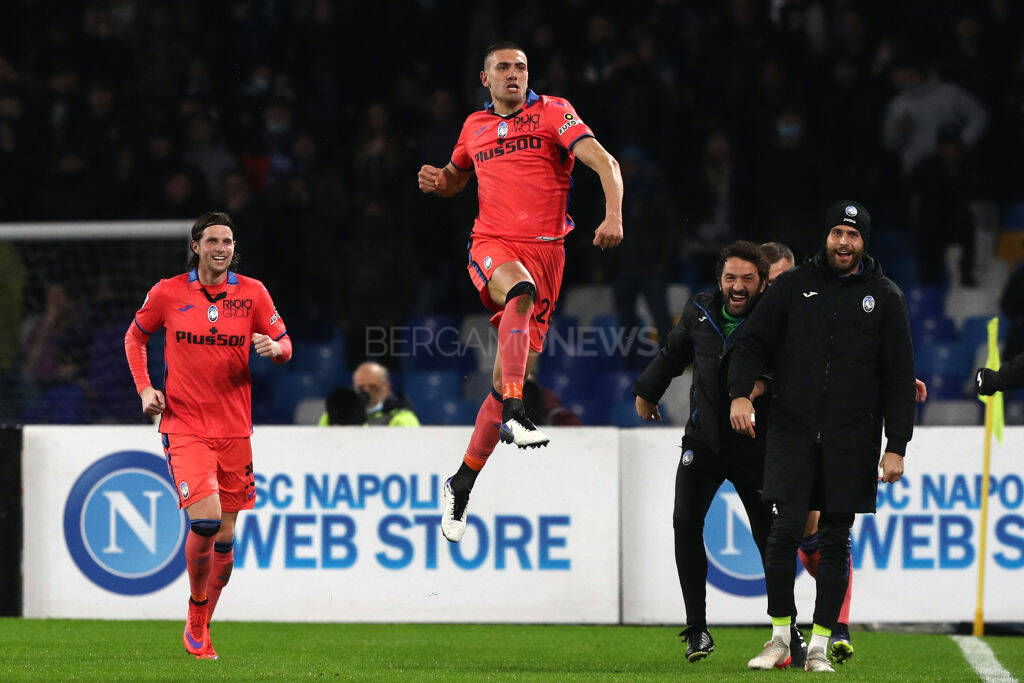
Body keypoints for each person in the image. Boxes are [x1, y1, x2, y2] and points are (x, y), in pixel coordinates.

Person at [417, 41, 623, 542]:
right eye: (504, 67)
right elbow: (456, 179)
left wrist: (613, 214)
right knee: (519, 293)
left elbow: (606, 163)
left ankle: (462, 481)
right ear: (485, 79)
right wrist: (439, 182)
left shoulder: (554, 112)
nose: (515, 74)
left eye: (522, 67)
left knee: (502, 375)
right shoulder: (473, 127)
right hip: (493, 245)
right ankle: (516, 411)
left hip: (549, 253)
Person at [729, 201, 915, 672]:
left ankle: (819, 646)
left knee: (835, 538)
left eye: (853, 235)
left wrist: (897, 445)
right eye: (837, 232)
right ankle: (778, 639)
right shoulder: (792, 286)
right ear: (826, 237)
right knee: (784, 532)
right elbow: (751, 343)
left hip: (852, 436)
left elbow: (899, 375)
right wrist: (740, 396)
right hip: (792, 429)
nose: (844, 242)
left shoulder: (886, 296)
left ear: (863, 243)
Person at [123, 211, 292, 659]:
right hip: (185, 426)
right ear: (196, 246)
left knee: (226, 538)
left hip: (235, 430)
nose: (222, 247)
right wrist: (145, 388)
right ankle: (197, 615)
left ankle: (201, 623)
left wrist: (275, 349)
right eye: (213, 240)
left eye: (229, 241)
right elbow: (134, 338)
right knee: (206, 519)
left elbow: (286, 342)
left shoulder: (253, 293)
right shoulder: (167, 292)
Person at [632, 241, 807, 666]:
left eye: (748, 279)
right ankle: (697, 630)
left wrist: (750, 391)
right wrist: (647, 391)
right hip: (705, 440)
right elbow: (674, 352)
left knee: (772, 539)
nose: (738, 286)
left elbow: (786, 370)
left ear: (763, 283)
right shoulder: (699, 310)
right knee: (684, 522)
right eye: (731, 277)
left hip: (755, 444)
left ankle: (787, 631)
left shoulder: (777, 316)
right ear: (720, 279)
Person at [761, 239, 929, 662]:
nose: (774, 285)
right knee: (793, 532)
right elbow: (745, 352)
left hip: (819, 431)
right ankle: (788, 634)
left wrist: (885, 387)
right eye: (768, 280)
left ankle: (830, 627)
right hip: (769, 427)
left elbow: (851, 352)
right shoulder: (756, 311)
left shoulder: (821, 297)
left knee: (818, 529)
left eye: (781, 277)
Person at [351, 361, 419, 426]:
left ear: (386, 388)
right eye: (361, 388)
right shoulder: (347, 416)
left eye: (373, 387)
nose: (366, 392)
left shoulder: (403, 418)